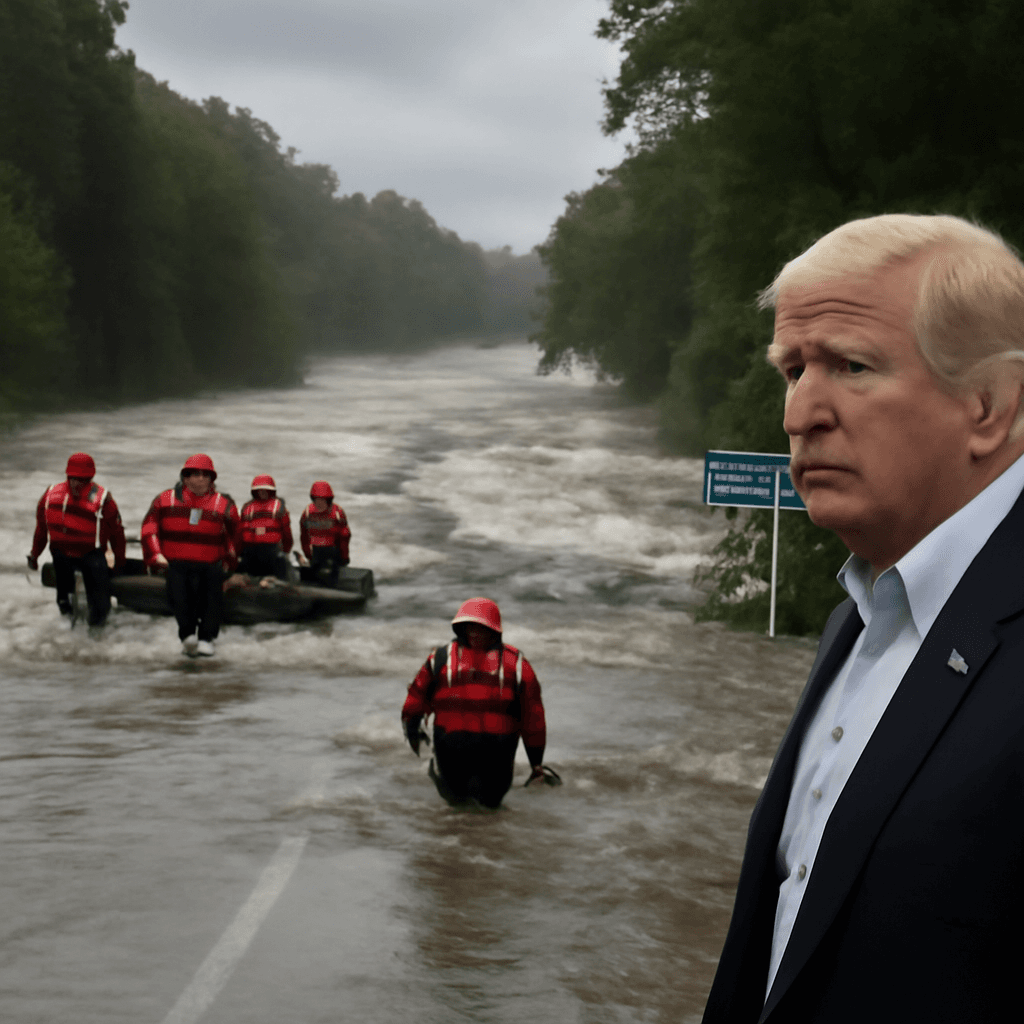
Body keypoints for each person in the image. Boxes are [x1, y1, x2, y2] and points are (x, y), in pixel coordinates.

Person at [701, 214, 1024, 1024]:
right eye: (792, 369)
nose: (799, 414)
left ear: (988, 406)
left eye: (851, 365)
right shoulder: (862, 614)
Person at [402, 597, 548, 808]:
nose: (475, 633)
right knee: (455, 807)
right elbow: (417, 696)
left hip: (497, 755)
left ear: (494, 630)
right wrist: (412, 728)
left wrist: (536, 763)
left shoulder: (516, 666)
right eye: (470, 627)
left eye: (481, 628)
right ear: (461, 628)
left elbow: (533, 717)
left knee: (489, 807)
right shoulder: (441, 659)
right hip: (451, 750)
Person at [141, 454, 239, 657]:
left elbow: (235, 535)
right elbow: (149, 529)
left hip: (211, 562)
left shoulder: (224, 504)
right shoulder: (164, 500)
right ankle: (186, 636)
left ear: (212, 479)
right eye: (195, 475)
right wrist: (155, 555)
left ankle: (207, 638)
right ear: (185, 478)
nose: (201, 479)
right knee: (179, 597)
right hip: (175, 562)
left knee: (213, 598)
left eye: (206, 475)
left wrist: (231, 558)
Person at [28, 452, 126, 626]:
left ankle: (97, 630)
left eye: (82, 479)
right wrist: (34, 556)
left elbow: (116, 534)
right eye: (72, 478)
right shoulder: (50, 496)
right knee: (64, 601)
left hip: (91, 555)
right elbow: (41, 530)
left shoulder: (104, 500)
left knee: (100, 608)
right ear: (67, 476)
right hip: (61, 553)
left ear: (90, 478)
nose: (76, 483)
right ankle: (66, 615)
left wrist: (119, 562)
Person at [238, 474, 293, 579]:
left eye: (266, 489)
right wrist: (238, 552)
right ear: (255, 491)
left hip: (272, 551)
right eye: (259, 489)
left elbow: (286, 532)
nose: (262, 492)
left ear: (271, 491)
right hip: (250, 552)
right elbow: (240, 532)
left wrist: (286, 550)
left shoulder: (279, 508)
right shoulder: (247, 508)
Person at [298, 481, 350, 587]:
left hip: (334, 550)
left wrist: (344, 556)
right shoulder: (307, 513)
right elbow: (304, 536)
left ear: (329, 500)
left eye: (323, 500)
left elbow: (344, 537)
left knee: (332, 570)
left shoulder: (337, 513)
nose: (319, 503)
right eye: (317, 500)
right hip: (316, 550)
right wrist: (307, 553)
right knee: (312, 572)